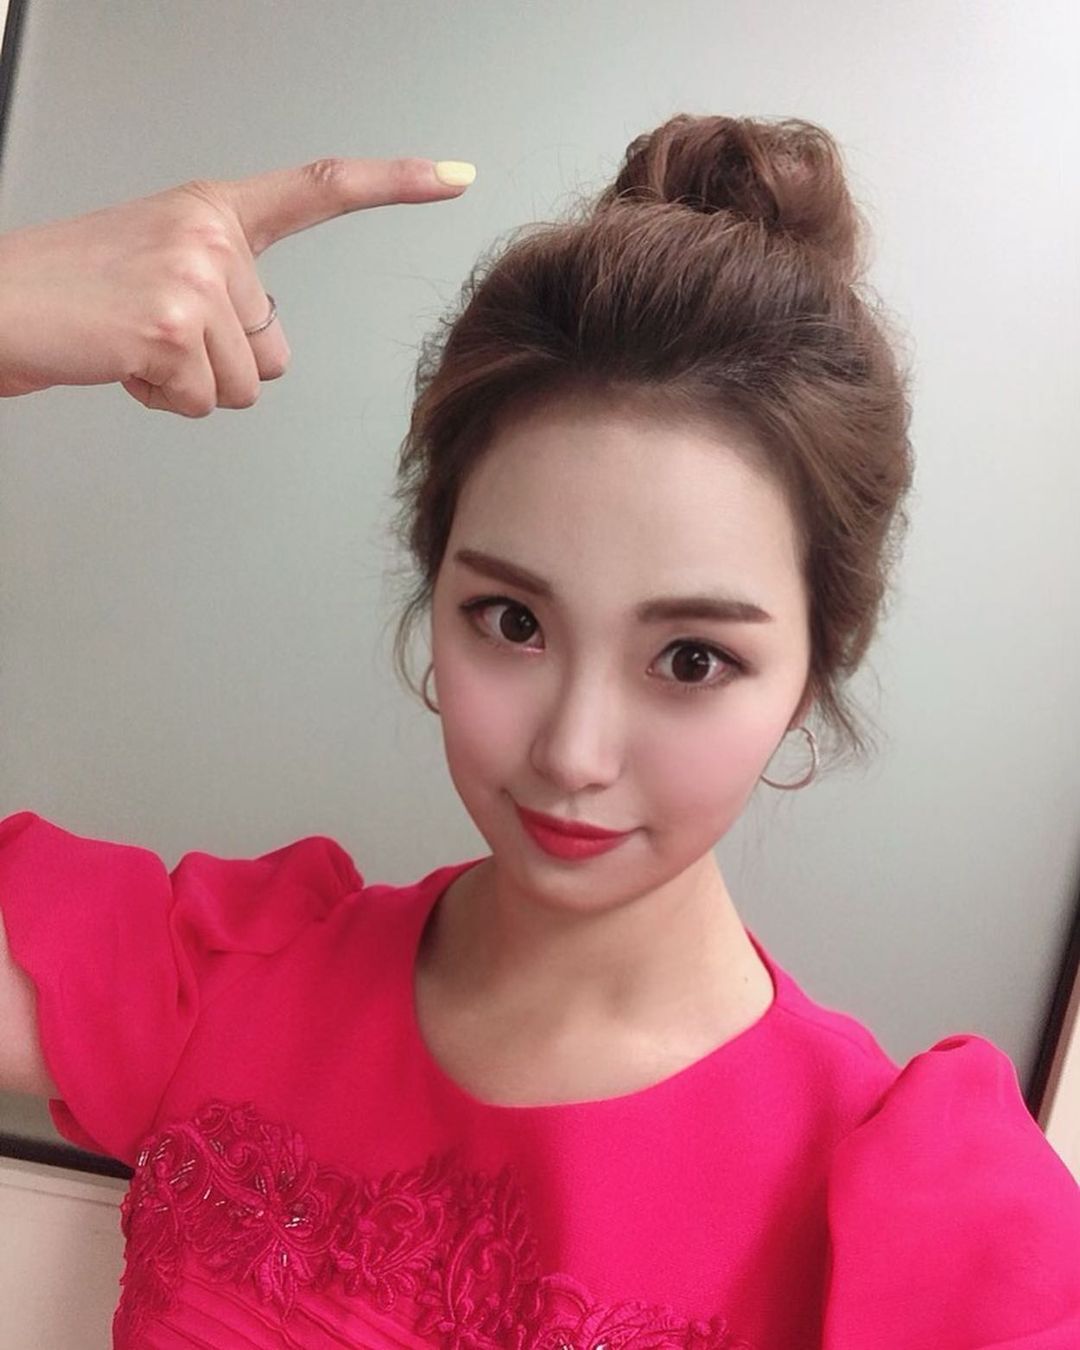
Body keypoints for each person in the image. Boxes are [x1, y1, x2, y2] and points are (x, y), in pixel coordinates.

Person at [0, 120, 1076, 1349]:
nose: (573, 752)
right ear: (434, 591)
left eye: (692, 659)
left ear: (810, 673)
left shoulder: (914, 1222)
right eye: (512, 622)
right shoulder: (233, 978)